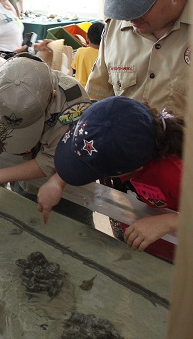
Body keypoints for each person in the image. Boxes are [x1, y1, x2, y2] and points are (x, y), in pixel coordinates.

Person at [0, 56, 92, 242]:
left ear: (51, 96)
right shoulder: (1, 96)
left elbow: (55, 160)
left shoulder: (73, 102)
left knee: (74, 236)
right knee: (27, 229)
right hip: (24, 175)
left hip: (67, 185)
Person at [37, 96, 184, 262]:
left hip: (176, 249)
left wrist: (170, 222)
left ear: (135, 168)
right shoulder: (121, 119)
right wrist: (58, 181)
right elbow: (94, 150)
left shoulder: (177, 175)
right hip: (134, 234)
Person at [85, 0, 192, 116]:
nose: (128, 16)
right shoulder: (114, 27)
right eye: (121, 3)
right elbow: (97, 97)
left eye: (140, 5)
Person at [71, 22, 104, 87]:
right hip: (96, 92)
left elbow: (73, 67)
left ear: (87, 37)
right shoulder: (104, 55)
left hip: (80, 90)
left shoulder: (80, 51)